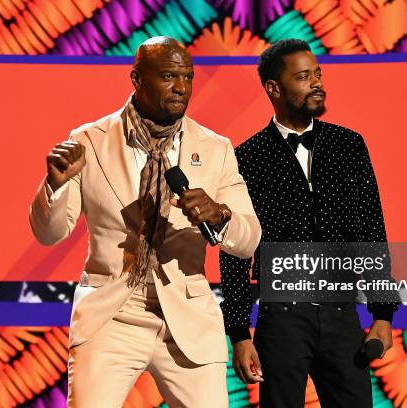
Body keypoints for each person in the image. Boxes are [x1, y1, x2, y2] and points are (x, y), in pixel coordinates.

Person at [29, 36, 261, 408]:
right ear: (137, 79)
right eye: (169, 76)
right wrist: (54, 185)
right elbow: (49, 233)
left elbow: (249, 239)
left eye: (188, 77)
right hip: (112, 315)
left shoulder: (215, 148)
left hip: (187, 317)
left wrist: (221, 216)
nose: (182, 88)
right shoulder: (89, 141)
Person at [220, 39, 400, 407]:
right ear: (274, 88)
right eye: (304, 77)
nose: (317, 83)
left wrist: (382, 312)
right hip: (281, 318)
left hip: (342, 314)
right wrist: (239, 333)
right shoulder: (246, 158)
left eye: (318, 74)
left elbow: (371, 229)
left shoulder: (349, 145)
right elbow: (235, 249)